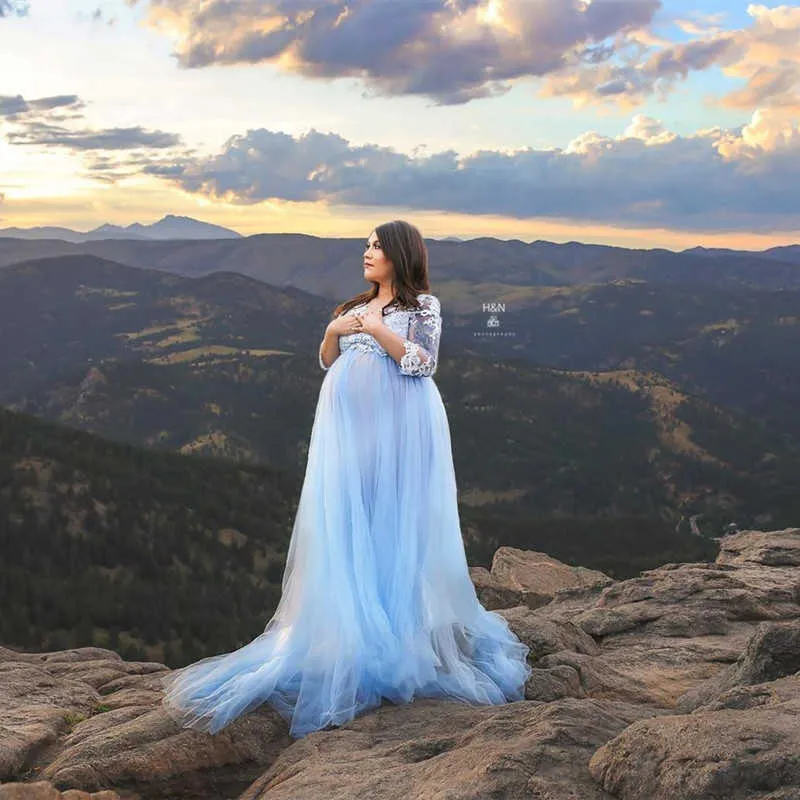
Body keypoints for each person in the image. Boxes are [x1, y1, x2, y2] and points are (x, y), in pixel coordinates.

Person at [160, 220, 531, 739]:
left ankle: (399, 632)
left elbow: (423, 363)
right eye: (366, 245)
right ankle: (358, 628)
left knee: (393, 518)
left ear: (401, 255)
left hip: (401, 431)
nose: (367, 253)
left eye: (377, 246)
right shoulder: (352, 306)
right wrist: (334, 332)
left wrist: (376, 330)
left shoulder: (422, 308)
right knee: (352, 518)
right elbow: (326, 361)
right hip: (351, 435)